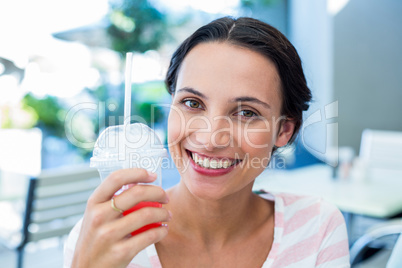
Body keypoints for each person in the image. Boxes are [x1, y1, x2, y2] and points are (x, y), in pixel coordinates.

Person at [64, 17, 350, 267]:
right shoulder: (103, 239)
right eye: (192, 103)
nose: (210, 138)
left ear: (284, 130)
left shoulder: (317, 227)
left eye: (246, 113)